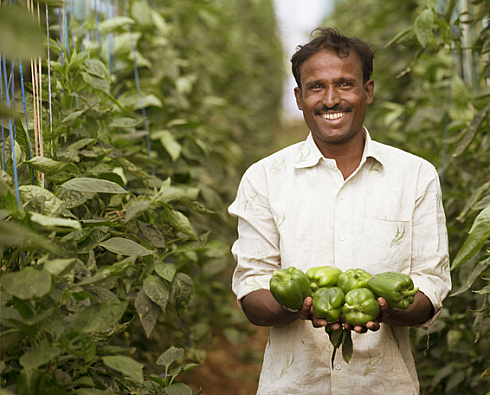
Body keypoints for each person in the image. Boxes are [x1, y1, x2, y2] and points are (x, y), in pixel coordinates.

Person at [228, 27, 451, 394]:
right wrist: (297, 305)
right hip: (294, 385)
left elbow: (431, 282)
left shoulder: (414, 176)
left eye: (345, 85)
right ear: (299, 98)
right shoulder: (264, 178)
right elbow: (252, 290)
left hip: (384, 385)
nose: (331, 99)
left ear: (368, 91)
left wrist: (387, 308)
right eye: (316, 87)